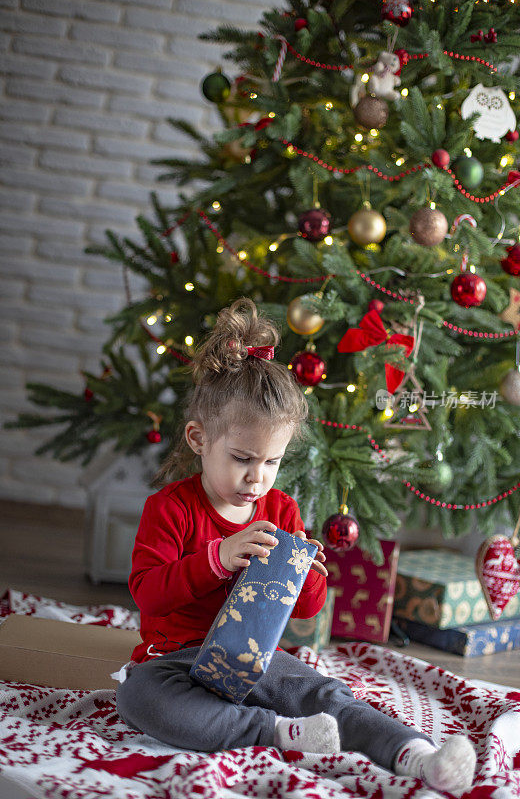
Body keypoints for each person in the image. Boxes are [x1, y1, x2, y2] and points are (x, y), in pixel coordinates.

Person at [116, 297, 476, 796]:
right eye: (242, 458)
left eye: (272, 462)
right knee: (138, 698)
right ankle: (277, 733)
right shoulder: (170, 508)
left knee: (324, 691)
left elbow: (305, 611)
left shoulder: (280, 509)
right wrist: (217, 559)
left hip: (256, 659)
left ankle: (415, 755)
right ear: (199, 439)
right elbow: (148, 595)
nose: (256, 478)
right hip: (175, 658)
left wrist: (306, 573)